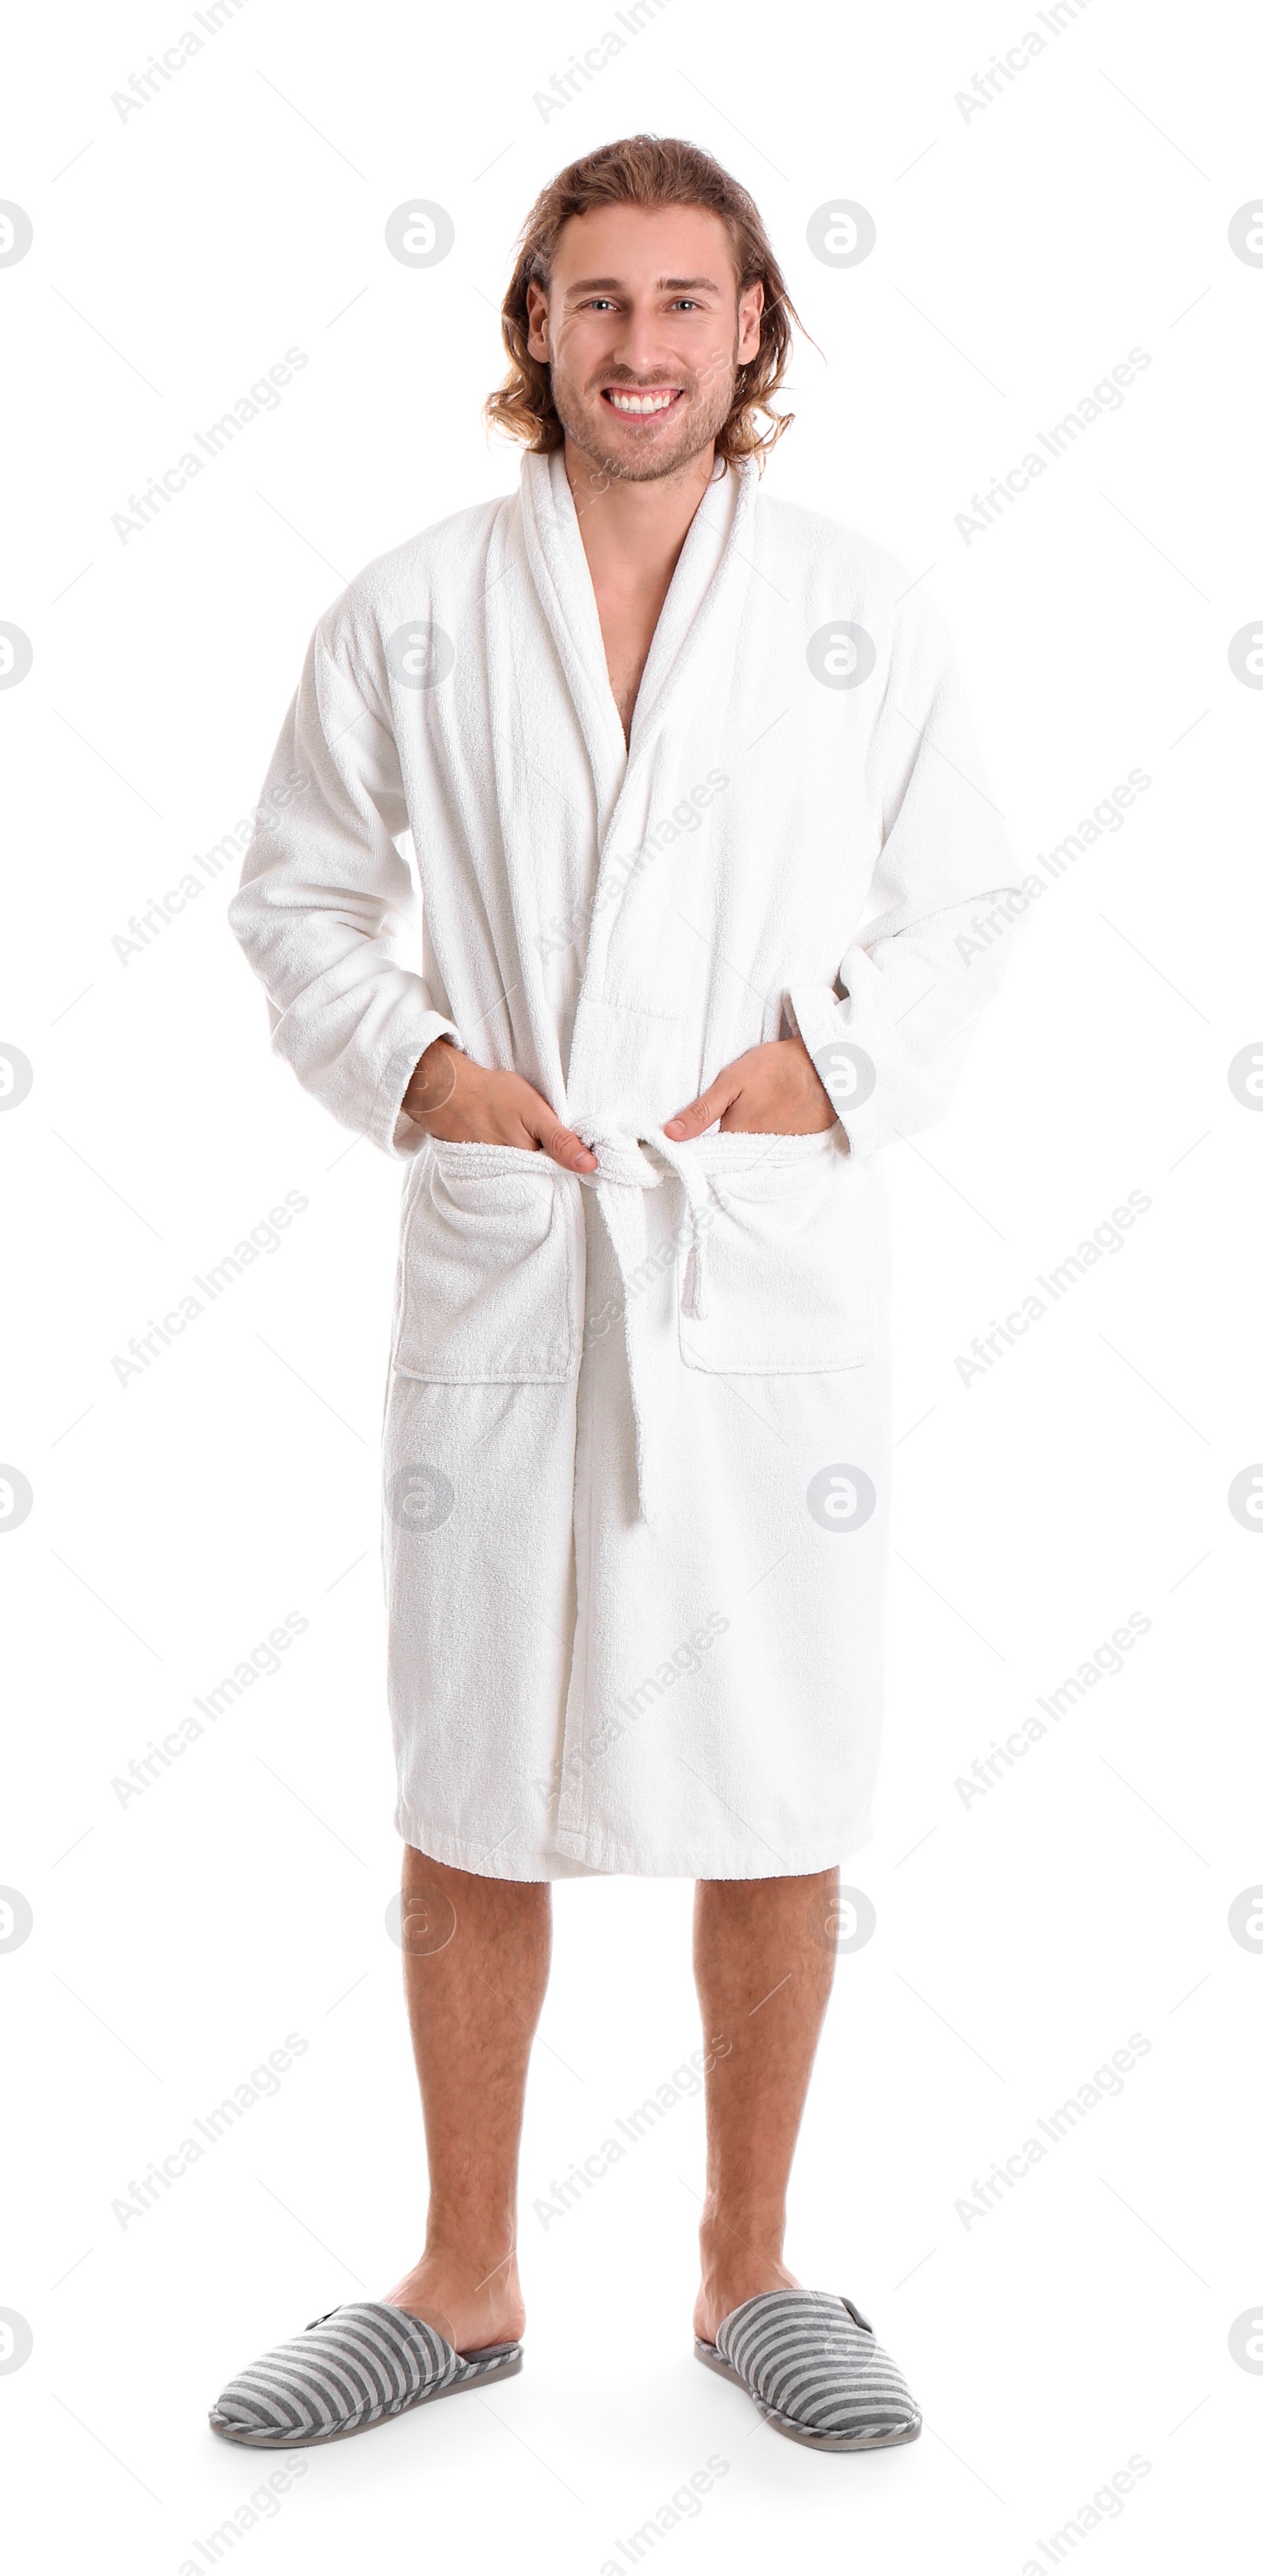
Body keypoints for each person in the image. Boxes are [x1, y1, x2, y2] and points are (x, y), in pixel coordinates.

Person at [210, 133, 1018, 2456]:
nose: (641, 347)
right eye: (598, 304)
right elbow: (293, 897)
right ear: (534, 330)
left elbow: (966, 904)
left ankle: (753, 2272)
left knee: (784, 1780)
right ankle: (462, 2285)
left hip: (750, 1260)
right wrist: (426, 1071)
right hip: (516, 1246)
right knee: (470, 1772)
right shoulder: (413, 608)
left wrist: (817, 1074)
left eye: (685, 303)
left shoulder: (857, 606)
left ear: (756, 323)